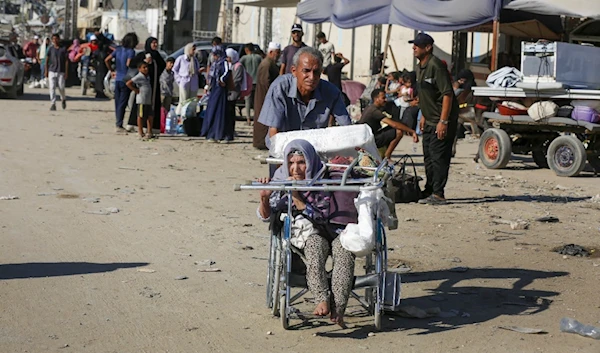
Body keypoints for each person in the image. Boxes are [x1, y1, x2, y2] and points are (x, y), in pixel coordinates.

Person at [257, 139, 355, 326]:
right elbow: (266, 215)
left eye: (301, 162)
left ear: (310, 162)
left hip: (335, 229)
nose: (295, 168)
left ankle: (339, 308)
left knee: (344, 254)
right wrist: (264, 198)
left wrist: (297, 196)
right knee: (315, 248)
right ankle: (321, 298)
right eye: (291, 163)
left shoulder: (324, 180)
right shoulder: (281, 179)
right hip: (310, 234)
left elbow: (321, 216)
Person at [258, 47, 351, 148]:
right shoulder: (279, 88)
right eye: (306, 71)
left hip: (316, 152)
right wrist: (283, 160)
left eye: (316, 72)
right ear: (294, 71)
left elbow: (347, 128)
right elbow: (274, 132)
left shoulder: (331, 92)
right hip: (283, 150)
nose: (311, 77)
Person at [410, 32, 459, 205]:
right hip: (429, 120)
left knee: (439, 157)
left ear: (428, 47)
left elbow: (447, 95)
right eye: (413, 45)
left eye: (417, 45)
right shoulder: (419, 67)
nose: (413, 48)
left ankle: (439, 194)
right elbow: (426, 95)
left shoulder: (436, 66)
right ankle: (430, 189)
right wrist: (423, 115)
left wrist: (443, 121)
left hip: (442, 120)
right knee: (429, 158)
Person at [358, 89, 418, 159]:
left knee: (394, 129)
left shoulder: (370, 107)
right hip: (369, 140)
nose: (385, 100)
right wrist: (412, 131)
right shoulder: (374, 111)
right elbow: (394, 124)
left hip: (368, 138)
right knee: (398, 131)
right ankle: (387, 158)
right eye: (383, 98)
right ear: (376, 99)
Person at [128, 37, 166, 132]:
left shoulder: (157, 55)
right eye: (153, 43)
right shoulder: (143, 54)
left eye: (156, 43)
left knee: (153, 107)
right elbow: (132, 63)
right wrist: (145, 62)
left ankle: (152, 127)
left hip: (154, 85)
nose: (155, 45)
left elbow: (162, 66)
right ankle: (136, 126)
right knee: (141, 105)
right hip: (143, 84)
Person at [104, 32, 138, 133]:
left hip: (117, 78)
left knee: (117, 102)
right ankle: (119, 125)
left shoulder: (118, 50)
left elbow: (107, 60)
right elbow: (128, 63)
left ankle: (118, 123)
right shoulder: (131, 52)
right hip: (125, 78)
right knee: (123, 103)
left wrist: (111, 70)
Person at [253, 42, 281, 150]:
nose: (278, 55)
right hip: (264, 96)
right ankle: (261, 142)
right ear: (271, 52)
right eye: (277, 53)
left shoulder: (270, 63)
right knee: (264, 120)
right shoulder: (267, 64)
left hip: (266, 96)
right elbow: (266, 82)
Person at [201, 46, 230, 142]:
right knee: (212, 111)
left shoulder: (224, 63)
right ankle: (212, 134)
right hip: (214, 91)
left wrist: (222, 80)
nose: (214, 56)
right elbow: (210, 77)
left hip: (221, 91)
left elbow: (226, 73)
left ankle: (221, 135)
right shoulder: (214, 64)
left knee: (220, 112)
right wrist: (207, 87)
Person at [126, 62, 154, 140]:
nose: (146, 69)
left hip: (148, 100)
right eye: (144, 67)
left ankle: (149, 131)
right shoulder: (139, 76)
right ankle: (140, 131)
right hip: (141, 100)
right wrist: (135, 90)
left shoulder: (147, 76)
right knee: (141, 116)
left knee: (150, 116)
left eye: (147, 67)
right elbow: (128, 83)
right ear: (139, 69)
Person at [224, 47, 246, 143]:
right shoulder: (230, 65)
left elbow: (237, 80)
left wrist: (228, 85)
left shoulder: (238, 66)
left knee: (230, 113)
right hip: (228, 93)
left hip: (233, 93)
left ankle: (230, 133)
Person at [239, 43, 262, 125]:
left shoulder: (244, 58)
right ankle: (256, 119)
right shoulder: (258, 58)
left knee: (248, 101)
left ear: (246, 50)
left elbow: (239, 67)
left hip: (248, 82)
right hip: (257, 82)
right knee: (256, 101)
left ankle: (248, 119)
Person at [45, 34, 68, 111]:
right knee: (52, 87)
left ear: (59, 39)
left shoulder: (63, 49)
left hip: (61, 71)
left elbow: (66, 61)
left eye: (56, 39)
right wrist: (46, 71)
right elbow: (47, 60)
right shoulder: (50, 49)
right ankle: (53, 103)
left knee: (61, 87)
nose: (55, 40)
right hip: (52, 70)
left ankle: (63, 98)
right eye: (53, 39)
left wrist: (66, 72)